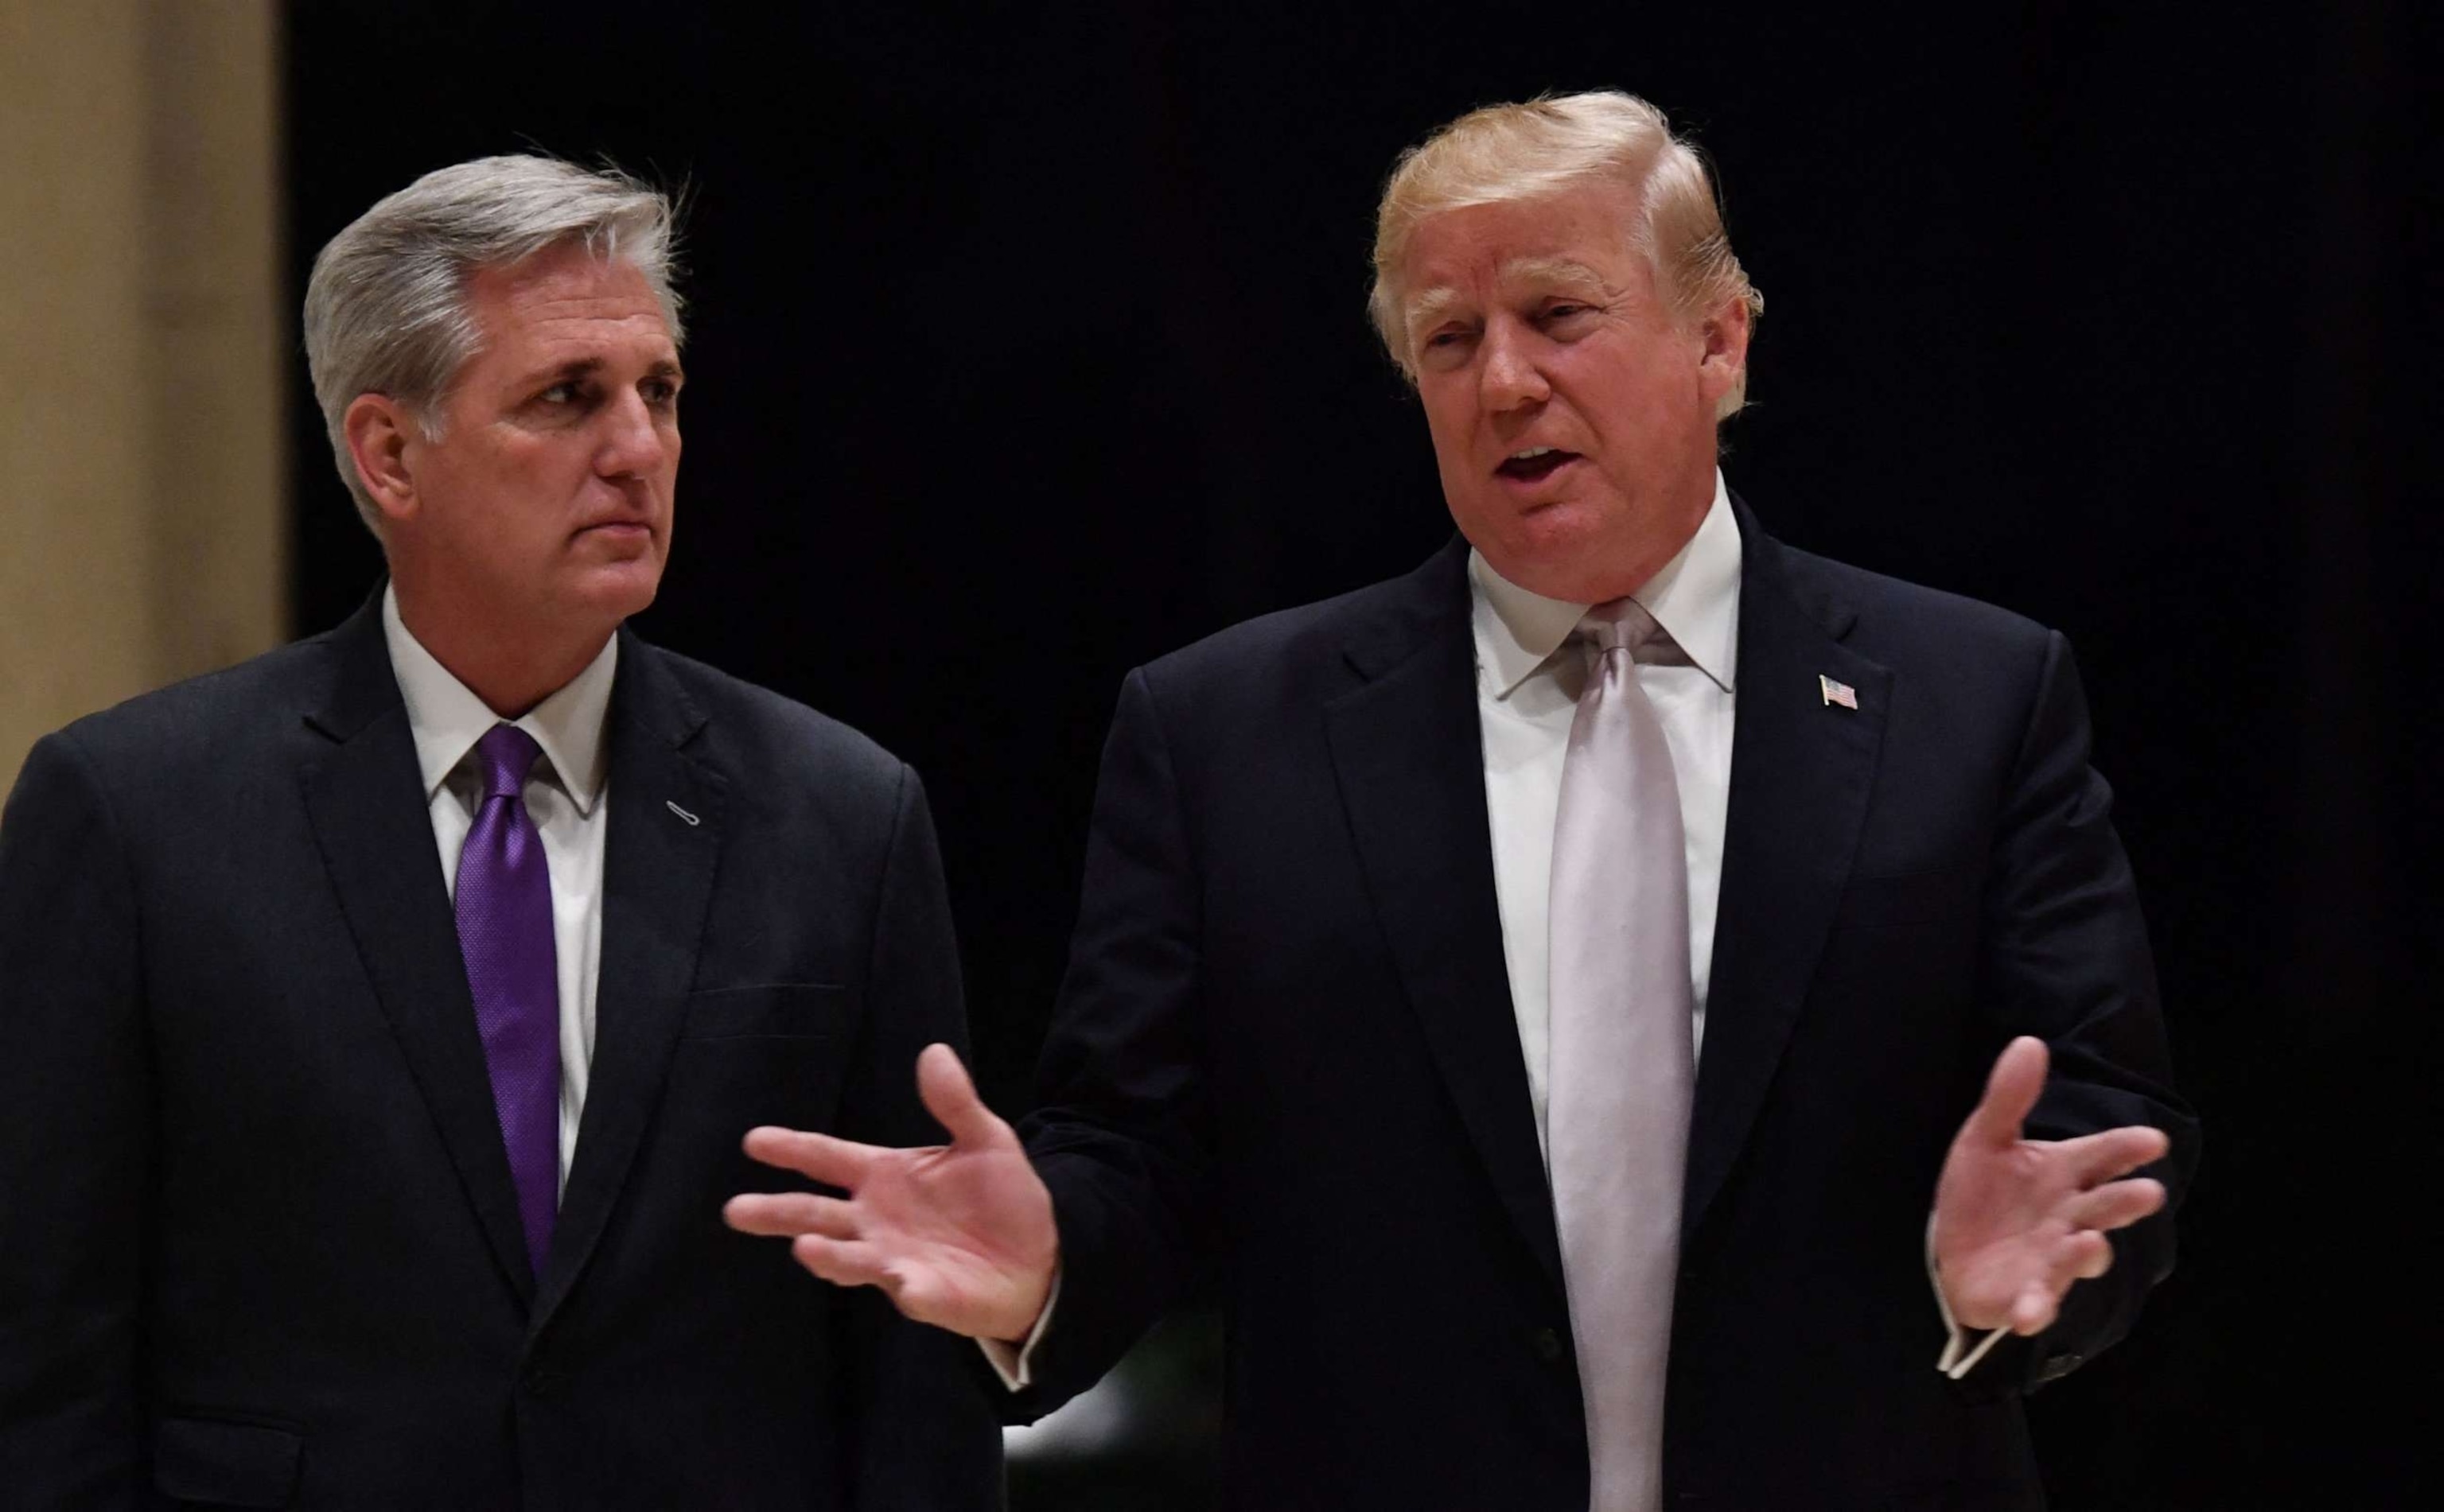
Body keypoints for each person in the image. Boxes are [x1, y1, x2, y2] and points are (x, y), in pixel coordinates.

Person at [725, 93, 2199, 1510]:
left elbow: (2096, 1124)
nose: (1503, 381)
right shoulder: (1227, 734)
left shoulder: (1976, 698)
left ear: (1720, 341)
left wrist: (2028, 1280)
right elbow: (1137, 1154)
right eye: (1450, 338)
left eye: (1559, 314)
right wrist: (1048, 1258)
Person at [0, 155, 1000, 1510]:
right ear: (390, 453)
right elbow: (48, 1361)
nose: (640, 447)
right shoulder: (133, 815)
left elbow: (915, 1378)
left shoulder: (841, 814)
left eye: (660, 391)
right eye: (567, 398)